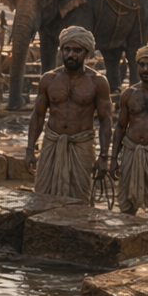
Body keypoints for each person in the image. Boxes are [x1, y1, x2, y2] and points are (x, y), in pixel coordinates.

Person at [25, 26, 111, 199]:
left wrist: (104, 157)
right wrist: (29, 149)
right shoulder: (49, 79)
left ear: (87, 52)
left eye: (77, 50)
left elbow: (106, 121)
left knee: (79, 197)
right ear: (62, 49)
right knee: (42, 195)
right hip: (52, 143)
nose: (71, 54)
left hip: (81, 145)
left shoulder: (98, 82)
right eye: (67, 49)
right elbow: (38, 115)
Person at [112, 44, 148, 216]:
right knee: (126, 205)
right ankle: (126, 241)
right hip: (131, 152)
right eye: (142, 64)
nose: (146, 69)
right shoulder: (128, 94)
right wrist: (113, 158)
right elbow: (120, 127)